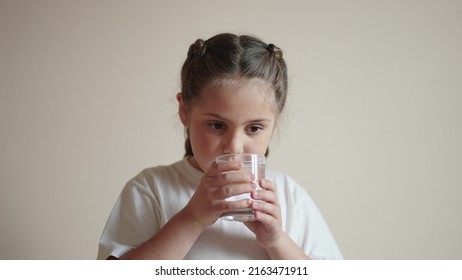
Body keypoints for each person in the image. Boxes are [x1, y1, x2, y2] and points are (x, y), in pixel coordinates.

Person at [97, 33, 343, 260]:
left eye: (254, 128)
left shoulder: (290, 196)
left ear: (275, 122)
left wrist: (276, 240)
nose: (234, 147)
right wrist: (191, 219)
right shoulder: (151, 189)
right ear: (184, 111)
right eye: (216, 125)